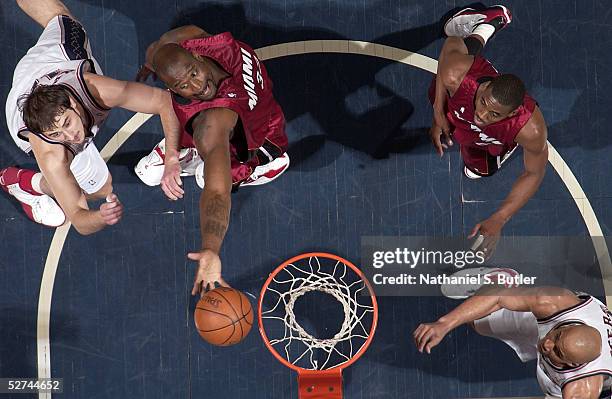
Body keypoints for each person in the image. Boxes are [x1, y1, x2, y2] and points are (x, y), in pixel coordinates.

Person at [1, 0, 181, 235]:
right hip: (21, 109)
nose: (70, 137)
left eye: (67, 123)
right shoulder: (52, 150)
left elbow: (163, 101)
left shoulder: (96, 89)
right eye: (57, 134)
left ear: (75, 104)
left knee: (63, 18)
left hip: (47, 62)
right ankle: (25, 184)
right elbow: (79, 220)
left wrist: (172, 158)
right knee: (100, 188)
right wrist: (100, 216)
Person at [136, 25, 290, 295]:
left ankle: (258, 167)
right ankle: (185, 151)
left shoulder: (212, 121)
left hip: (259, 135)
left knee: (208, 175)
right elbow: (165, 43)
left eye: (193, 74)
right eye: (182, 86)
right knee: (147, 173)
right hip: (243, 110)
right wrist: (153, 62)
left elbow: (217, 192)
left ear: (195, 58)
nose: (196, 86)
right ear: (169, 88)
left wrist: (210, 247)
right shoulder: (208, 44)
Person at [430, 5, 548, 253]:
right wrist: (438, 113)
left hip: (488, 136)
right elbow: (449, 47)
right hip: (457, 103)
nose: (482, 115)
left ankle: (504, 147)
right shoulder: (458, 76)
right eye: (484, 102)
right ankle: (484, 26)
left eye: (494, 114)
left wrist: (499, 218)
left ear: (513, 114)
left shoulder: (529, 129)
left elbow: (533, 173)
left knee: (479, 171)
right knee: (437, 88)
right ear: (486, 88)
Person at [414, 286, 612, 398]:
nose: (547, 344)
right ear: (568, 326)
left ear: (573, 365)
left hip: (563, 382)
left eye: (558, 352)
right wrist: (444, 324)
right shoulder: (554, 304)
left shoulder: (580, 389)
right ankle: (508, 278)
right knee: (475, 321)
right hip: (541, 321)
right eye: (558, 336)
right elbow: (498, 297)